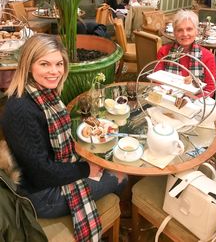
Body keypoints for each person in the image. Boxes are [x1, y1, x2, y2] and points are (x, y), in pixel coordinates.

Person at [1, 34, 127, 241]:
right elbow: (41, 174)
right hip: (40, 195)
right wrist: (86, 169)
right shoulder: (21, 109)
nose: (54, 71)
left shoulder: (41, 93)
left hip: (50, 172)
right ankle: (116, 225)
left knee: (109, 162)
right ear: (28, 65)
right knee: (122, 176)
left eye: (59, 63)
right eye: (45, 64)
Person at [155, 9, 216, 95]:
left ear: (196, 31)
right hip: (168, 98)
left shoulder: (208, 56)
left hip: (196, 103)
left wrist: (190, 101)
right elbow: (157, 81)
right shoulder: (164, 51)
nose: (185, 34)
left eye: (189, 29)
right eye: (179, 30)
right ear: (174, 33)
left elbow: (210, 89)